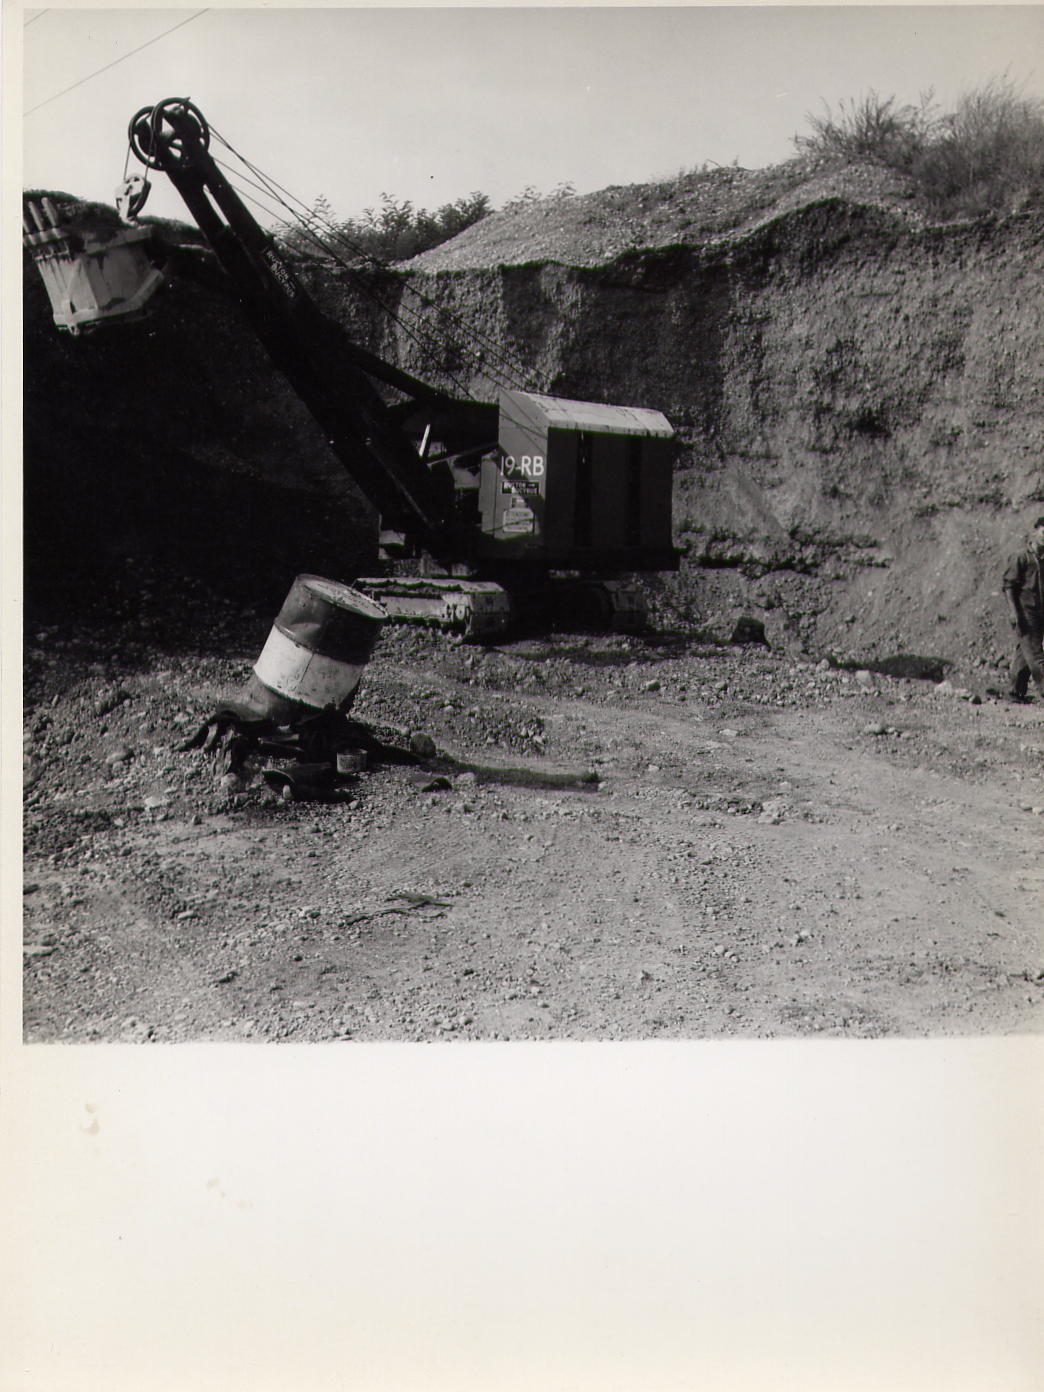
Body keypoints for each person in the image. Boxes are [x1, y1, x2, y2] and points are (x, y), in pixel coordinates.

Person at [1002, 515, 1044, 701]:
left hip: (1039, 612)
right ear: (1035, 532)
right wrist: (1013, 612)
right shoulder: (1020, 557)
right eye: (1043, 532)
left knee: (1024, 651)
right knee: (1036, 654)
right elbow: (1009, 586)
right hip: (1025, 612)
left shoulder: (1041, 560)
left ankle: (1015, 691)